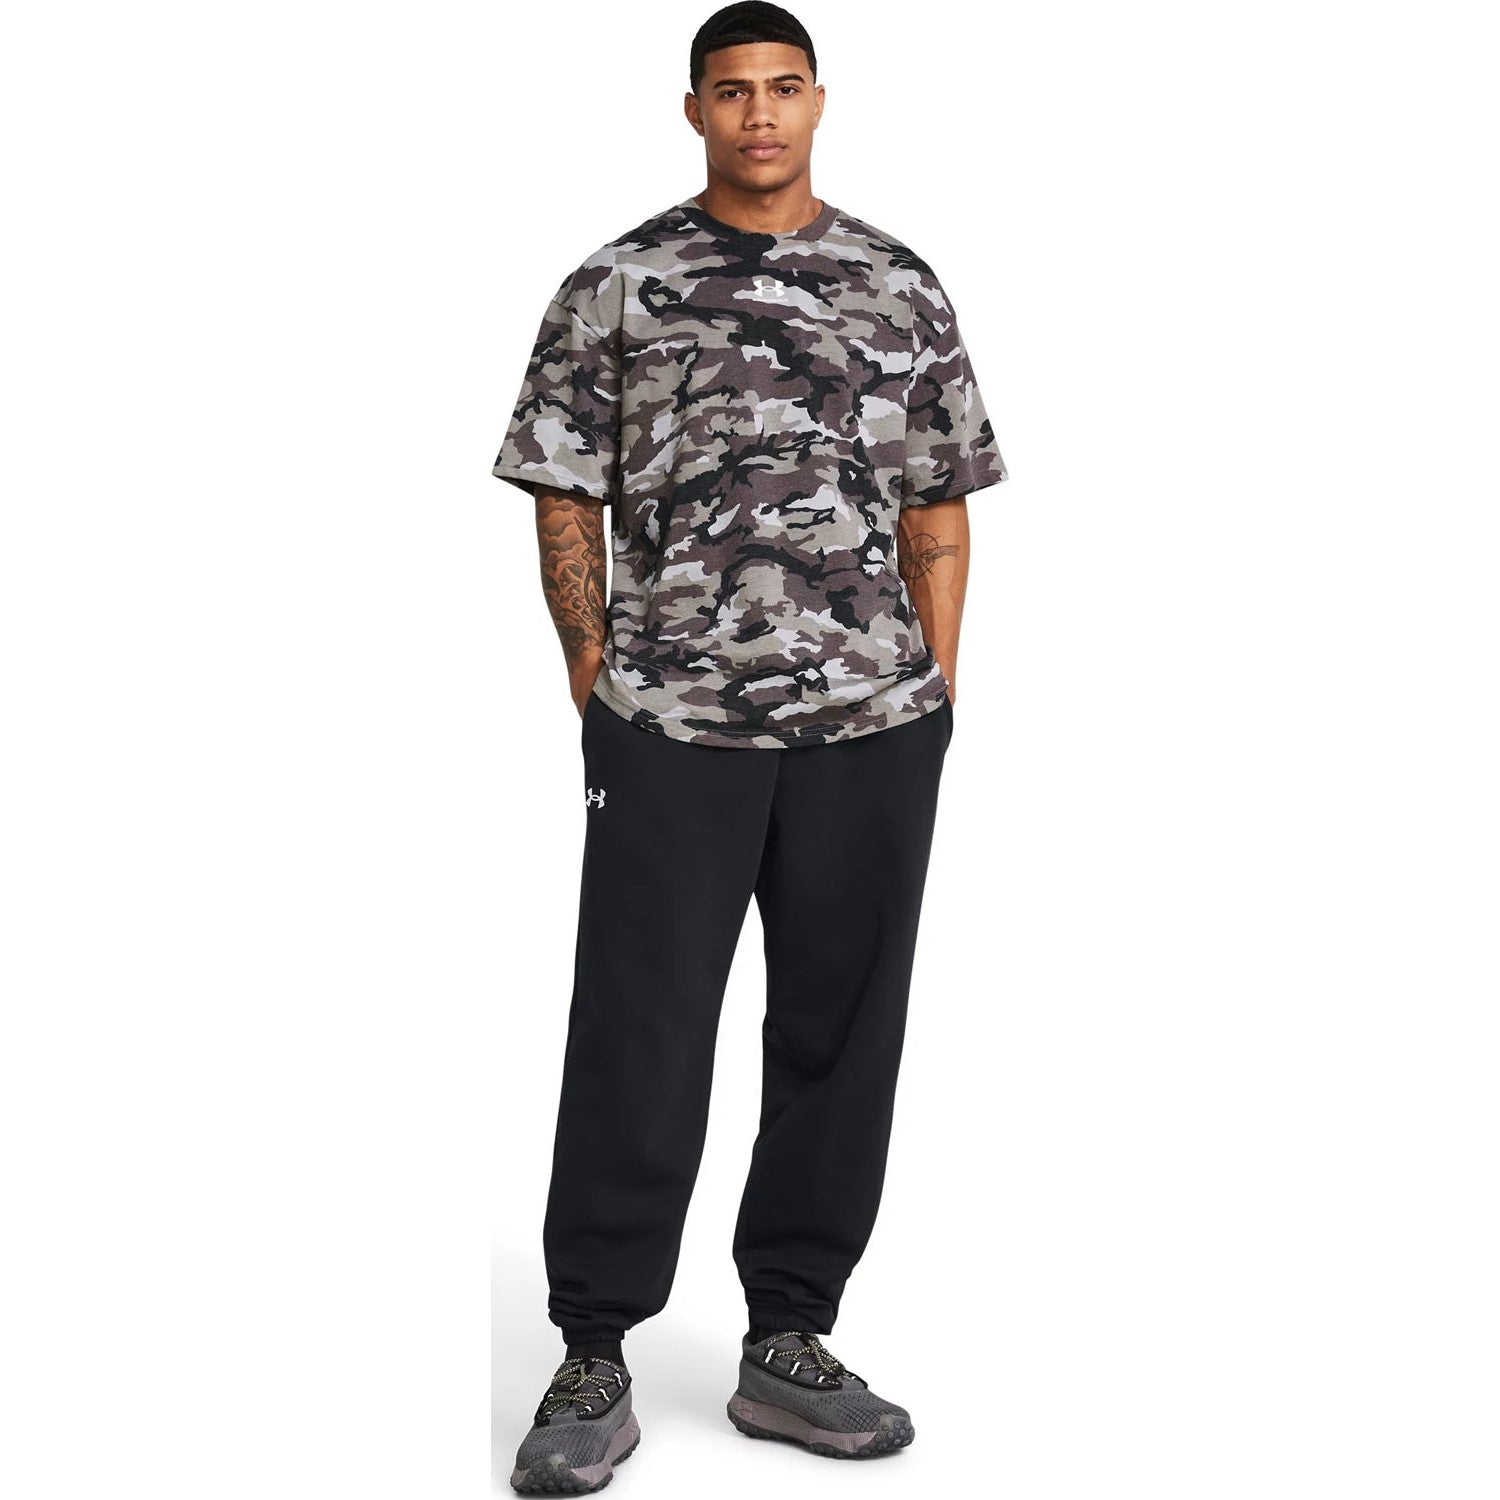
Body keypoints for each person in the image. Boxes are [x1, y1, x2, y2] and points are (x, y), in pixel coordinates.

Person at [490, 2, 1008, 1489]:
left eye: (784, 87)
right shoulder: (620, 283)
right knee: (639, 1025)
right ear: (696, 110)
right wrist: (592, 664)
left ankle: (790, 1335)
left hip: (874, 723)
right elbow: (564, 487)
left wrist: (935, 693)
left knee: (842, 1031)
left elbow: (940, 502)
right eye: (733, 91)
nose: (760, 113)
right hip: (672, 722)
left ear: (820, 102)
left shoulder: (897, 283)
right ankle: (594, 1348)